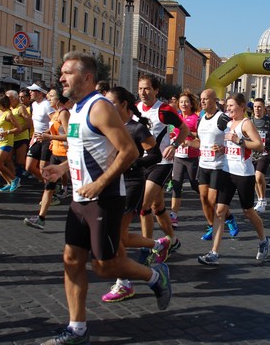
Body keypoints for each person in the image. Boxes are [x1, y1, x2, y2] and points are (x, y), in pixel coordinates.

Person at [39, 52, 171, 345]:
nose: (61, 78)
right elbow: (81, 150)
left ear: (87, 77)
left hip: (105, 199)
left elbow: (130, 152)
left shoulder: (100, 108)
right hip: (80, 198)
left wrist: (99, 184)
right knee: (71, 260)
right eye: (61, 73)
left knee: (105, 266)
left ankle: (154, 276)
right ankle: (77, 329)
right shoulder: (75, 110)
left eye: (67, 73)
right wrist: (60, 168)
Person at [101, 86, 168, 303]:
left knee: (117, 235)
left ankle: (125, 283)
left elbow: (155, 155)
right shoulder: (108, 126)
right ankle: (157, 244)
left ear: (123, 105)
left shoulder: (137, 128)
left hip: (131, 183)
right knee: (119, 235)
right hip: (112, 182)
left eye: (110, 103)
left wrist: (132, 162)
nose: (106, 107)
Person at [197, 93, 270, 265]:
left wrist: (240, 140)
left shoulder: (246, 123)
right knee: (219, 211)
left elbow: (259, 145)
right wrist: (221, 149)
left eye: (231, 106)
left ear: (242, 106)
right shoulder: (227, 124)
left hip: (244, 174)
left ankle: (263, 240)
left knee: (248, 211)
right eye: (227, 106)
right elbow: (229, 145)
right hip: (226, 171)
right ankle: (213, 253)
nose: (228, 109)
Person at [136, 74, 187, 250]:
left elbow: (184, 129)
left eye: (147, 88)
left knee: (143, 206)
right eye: (141, 88)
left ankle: (148, 247)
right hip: (143, 162)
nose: (143, 92)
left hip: (162, 163)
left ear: (156, 90)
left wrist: (174, 145)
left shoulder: (164, 110)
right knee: (157, 207)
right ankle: (172, 241)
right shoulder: (135, 109)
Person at [190, 89, 240, 241]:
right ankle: (211, 225)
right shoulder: (201, 119)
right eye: (201, 99)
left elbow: (233, 137)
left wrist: (223, 148)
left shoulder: (222, 118)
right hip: (203, 164)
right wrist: (187, 143)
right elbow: (200, 141)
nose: (203, 101)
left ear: (214, 100)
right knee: (204, 199)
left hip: (218, 165)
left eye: (206, 99)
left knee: (212, 200)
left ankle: (229, 217)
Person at [24, 85, 71, 228]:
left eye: (51, 96)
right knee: (48, 186)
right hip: (55, 153)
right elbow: (54, 131)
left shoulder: (64, 113)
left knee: (78, 187)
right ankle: (40, 218)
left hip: (65, 155)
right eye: (49, 96)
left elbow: (70, 135)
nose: (48, 98)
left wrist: (49, 136)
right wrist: (45, 137)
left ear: (59, 99)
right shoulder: (56, 113)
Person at [169, 90, 200, 227]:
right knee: (176, 185)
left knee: (195, 184)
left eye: (186, 102)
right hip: (178, 156)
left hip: (191, 157)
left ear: (191, 104)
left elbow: (200, 136)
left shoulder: (195, 118)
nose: (183, 104)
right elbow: (174, 132)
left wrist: (187, 135)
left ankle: (211, 199)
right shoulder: (176, 117)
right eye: (181, 102)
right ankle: (174, 216)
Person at [250, 98, 270, 213]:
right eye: (255, 107)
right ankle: (261, 198)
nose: (257, 109)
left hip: (265, 152)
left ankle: (261, 199)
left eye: (259, 107)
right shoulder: (249, 121)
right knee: (255, 179)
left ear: (264, 109)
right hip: (251, 153)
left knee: (258, 176)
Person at [25, 83, 55, 181]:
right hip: (37, 138)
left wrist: (45, 133)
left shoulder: (47, 105)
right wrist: (33, 137)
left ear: (40, 93)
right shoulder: (33, 105)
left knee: (43, 168)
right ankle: (49, 184)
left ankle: (50, 188)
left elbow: (55, 122)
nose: (30, 92)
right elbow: (36, 123)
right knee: (29, 166)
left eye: (32, 91)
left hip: (47, 139)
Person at [6, 90, 32, 179]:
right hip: (10, 137)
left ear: (15, 98)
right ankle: (15, 178)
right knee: (7, 159)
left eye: (9, 98)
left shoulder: (21, 108)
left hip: (21, 137)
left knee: (20, 160)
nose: (7, 100)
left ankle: (33, 171)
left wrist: (19, 130)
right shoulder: (8, 108)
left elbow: (29, 123)